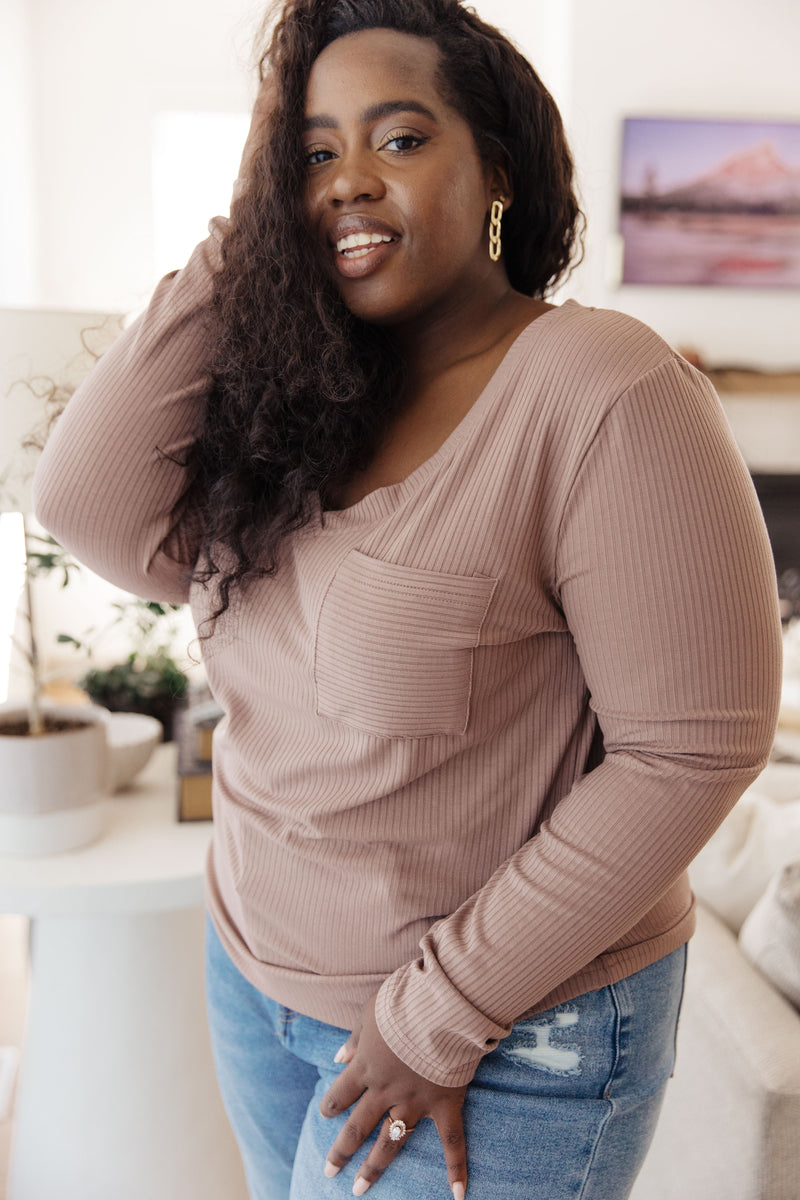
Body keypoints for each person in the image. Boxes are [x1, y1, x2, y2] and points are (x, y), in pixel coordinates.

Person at [33, 1, 782, 1197]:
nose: (349, 181)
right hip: (257, 987)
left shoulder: (605, 390)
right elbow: (86, 502)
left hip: (497, 1038)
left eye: (397, 139)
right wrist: (257, 220)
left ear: (493, 163)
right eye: (313, 153)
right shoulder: (298, 396)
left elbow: (692, 751)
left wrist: (439, 1011)